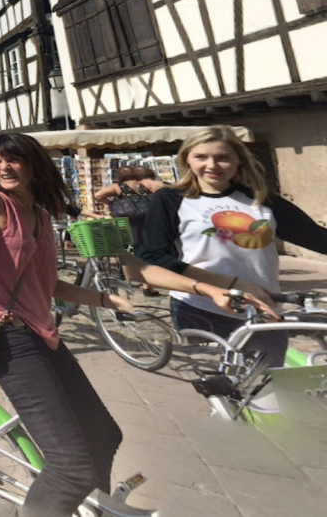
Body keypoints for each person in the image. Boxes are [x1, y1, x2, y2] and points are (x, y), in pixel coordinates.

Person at [0, 133, 134, 517]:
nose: (4, 167)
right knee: (70, 467)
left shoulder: (41, 215)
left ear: (32, 164)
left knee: (104, 435)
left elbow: (48, 283)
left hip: (42, 332)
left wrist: (105, 299)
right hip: (6, 334)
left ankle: (89, 509)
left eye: (14, 160)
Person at [137, 125, 327, 367]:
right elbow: (152, 255)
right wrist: (231, 285)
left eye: (223, 158)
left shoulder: (261, 199)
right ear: (187, 159)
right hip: (200, 308)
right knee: (222, 391)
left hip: (262, 310)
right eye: (201, 157)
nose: (212, 165)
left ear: (239, 160)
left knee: (270, 387)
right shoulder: (171, 199)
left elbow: (317, 238)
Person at [95, 166, 157, 294]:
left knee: (125, 251)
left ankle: (129, 279)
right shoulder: (143, 184)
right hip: (146, 219)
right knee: (146, 251)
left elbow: (98, 195)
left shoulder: (119, 186)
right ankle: (147, 285)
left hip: (125, 221)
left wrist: (111, 204)